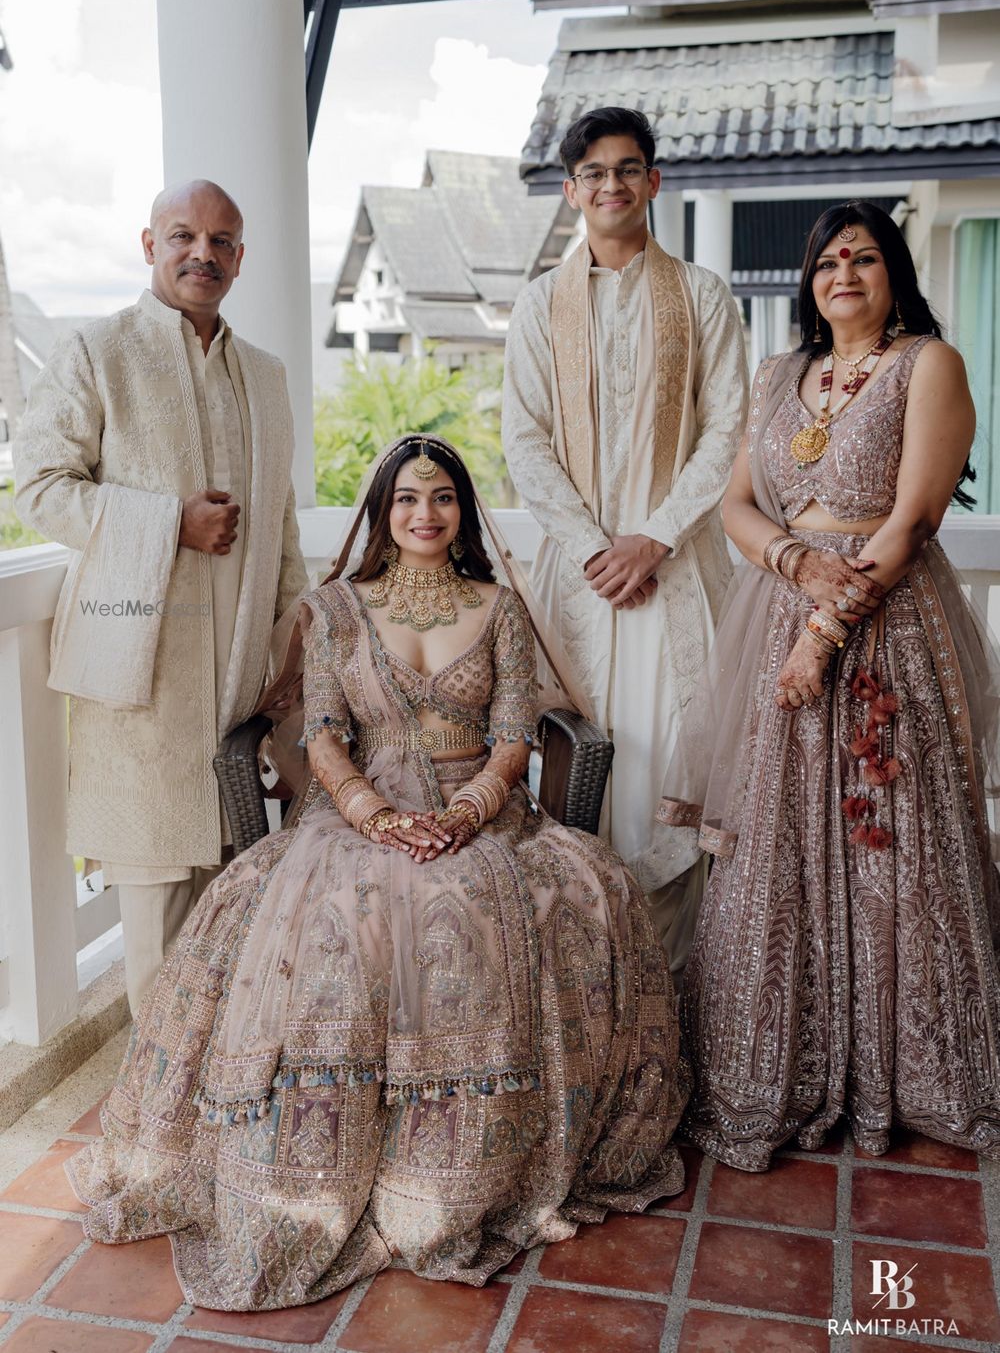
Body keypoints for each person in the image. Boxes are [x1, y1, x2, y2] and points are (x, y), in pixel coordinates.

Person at [66, 434, 688, 1311]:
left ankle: (466, 1169)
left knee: (567, 892)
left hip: (483, 809)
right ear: (383, 511)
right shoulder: (336, 609)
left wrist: (468, 813)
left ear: (463, 510)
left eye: (442, 498)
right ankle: (324, 1169)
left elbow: (515, 735)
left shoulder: (500, 606)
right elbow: (321, 733)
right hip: (359, 811)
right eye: (406, 499)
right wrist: (375, 815)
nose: (425, 514)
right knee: (316, 924)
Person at [660, 199, 1000, 1169]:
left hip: (883, 622)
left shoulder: (925, 365)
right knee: (778, 837)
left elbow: (915, 516)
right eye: (824, 263)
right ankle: (787, 1062)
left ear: (893, 271)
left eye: (862, 257)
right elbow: (732, 504)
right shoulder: (779, 374)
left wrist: (824, 625)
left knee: (891, 835)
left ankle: (912, 1074)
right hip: (783, 602)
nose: (842, 273)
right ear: (807, 286)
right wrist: (790, 565)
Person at [14, 180, 306, 1014]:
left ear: (240, 259)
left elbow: (280, 527)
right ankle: (155, 1118)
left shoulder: (266, 374)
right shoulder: (97, 352)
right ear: (150, 245)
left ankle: (215, 1102)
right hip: (143, 687)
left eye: (220, 241)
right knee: (155, 905)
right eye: (182, 236)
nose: (201, 254)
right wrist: (167, 524)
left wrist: (292, 660)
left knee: (231, 906)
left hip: (240, 687)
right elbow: (36, 486)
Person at [502, 106, 747, 970]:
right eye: (594, 171)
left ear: (654, 180)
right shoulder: (540, 305)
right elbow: (523, 440)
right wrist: (594, 544)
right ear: (571, 189)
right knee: (583, 764)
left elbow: (728, 429)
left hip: (677, 574)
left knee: (679, 764)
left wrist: (654, 538)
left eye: (628, 168)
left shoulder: (703, 295)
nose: (612, 184)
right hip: (582, 579)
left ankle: (682, 1009)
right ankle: (595, 998)